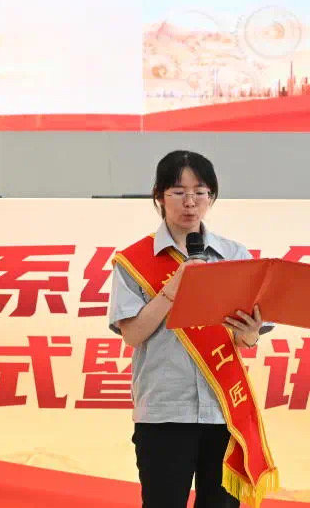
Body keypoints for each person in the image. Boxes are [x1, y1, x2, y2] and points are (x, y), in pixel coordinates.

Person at [110, 150, 279, 508]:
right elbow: (132, 335)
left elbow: (245, 339)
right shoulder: (134, 261)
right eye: (178, 192)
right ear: (159, 196)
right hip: (164, 410)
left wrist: (249, 332)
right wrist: (173, 288)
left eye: (200, 192)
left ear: (211, 197)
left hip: (224, 411)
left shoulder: (234, 254)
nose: (190, 202)